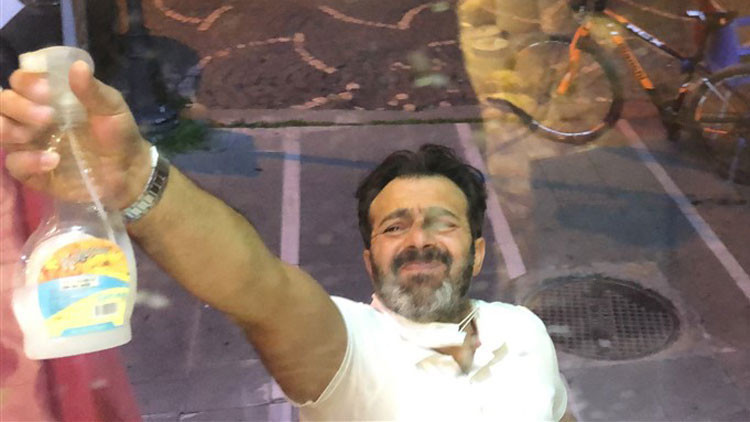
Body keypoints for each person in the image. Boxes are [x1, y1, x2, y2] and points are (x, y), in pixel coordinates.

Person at [0, 61, 568, 421]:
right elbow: (257, 285)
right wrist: (133, 180)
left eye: (443, 223)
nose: (419, 239)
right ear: (370, 261)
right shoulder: (350, 349)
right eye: (394, 227)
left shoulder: (524, 331)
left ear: (479, 251)